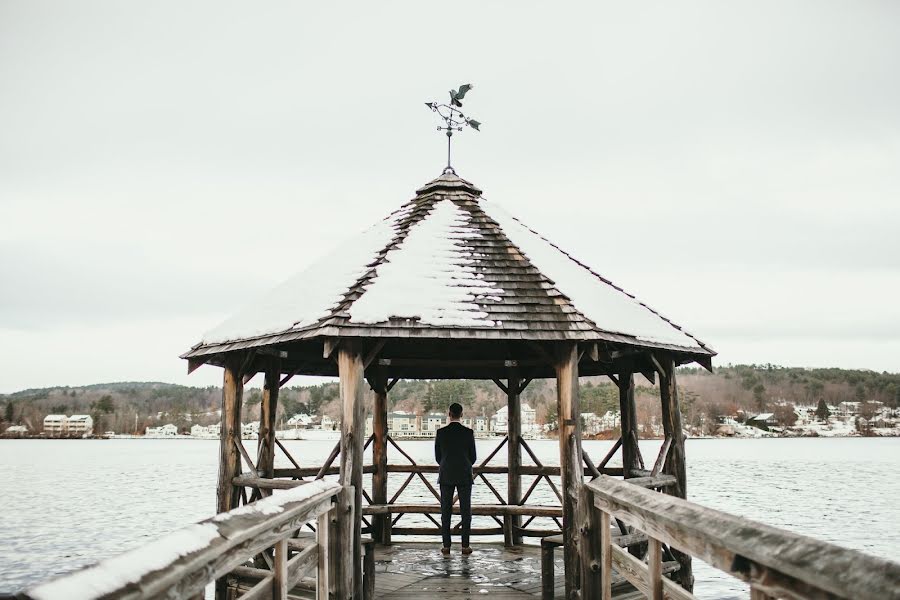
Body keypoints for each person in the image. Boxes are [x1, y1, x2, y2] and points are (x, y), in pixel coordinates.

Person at [434, 402, 476, 555]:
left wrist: (446, 464)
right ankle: (465, 545)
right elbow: (473, 457)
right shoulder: (468, 432)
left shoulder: (441, 433)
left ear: (449, 414)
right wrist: (465, 464)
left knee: (445, 510)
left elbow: (438, 457)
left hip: (446, 474)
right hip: (464, 474)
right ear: (462, 414)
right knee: (466, 511)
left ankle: (446, 546)